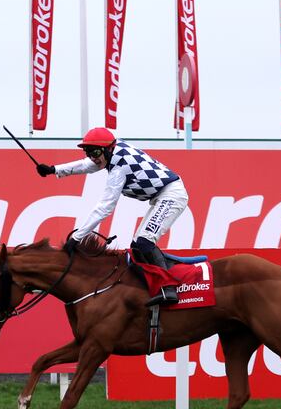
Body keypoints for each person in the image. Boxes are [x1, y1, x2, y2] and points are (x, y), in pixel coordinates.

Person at [36, 127, 188, 306]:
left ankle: (169, 289)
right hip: (162, 195)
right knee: (137, 248)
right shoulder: (113, 151)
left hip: (171, 195)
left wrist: (77, 237)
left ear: (108, 149)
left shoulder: (119, 168)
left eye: (95, 152)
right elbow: (87, 165)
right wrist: (54, 170)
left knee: (145, 242)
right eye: (88, 152)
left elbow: (105, 207)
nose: (92, 156)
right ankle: (154, 288)